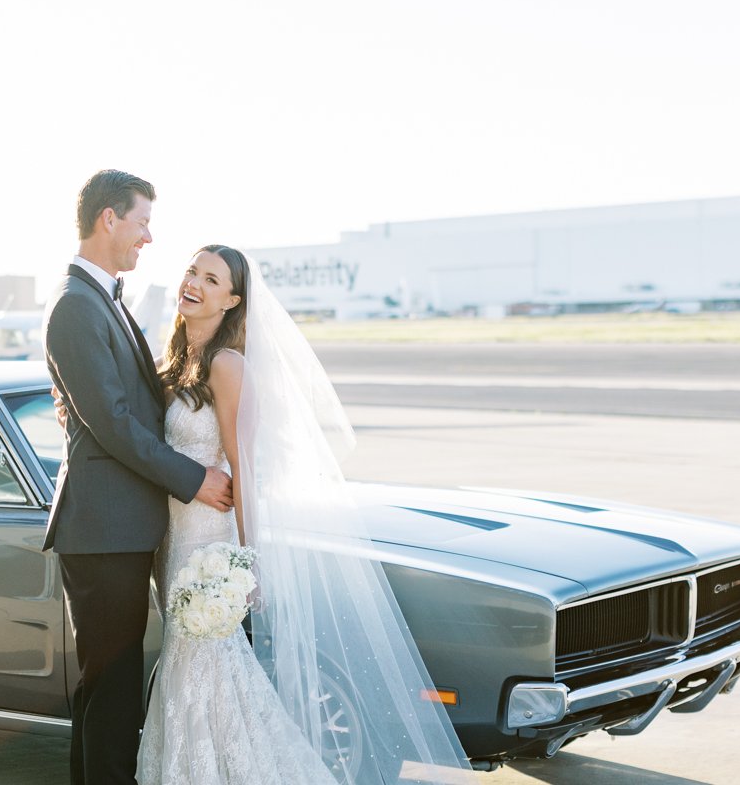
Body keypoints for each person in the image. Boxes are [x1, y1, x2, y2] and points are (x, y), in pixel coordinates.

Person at [137, 245, 474, 785]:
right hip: (171, 544)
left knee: (206, 671)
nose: (193, 284)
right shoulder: (173, 364)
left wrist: (249, 561)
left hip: (208, 547)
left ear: (233, 300)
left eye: (211, 278)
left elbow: (244, 467)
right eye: (191, 272)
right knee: (191, 673)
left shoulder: (228, 366)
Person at [43, 170, 234, 785]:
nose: (148, 237)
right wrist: (194, 479)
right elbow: (115, 424)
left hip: (125, 529)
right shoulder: (76, 307)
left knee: (109, 690)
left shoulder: (107, 300)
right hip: (102, 533)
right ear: (109, 219)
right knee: (112, 690)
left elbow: (138, 408)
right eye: (142, 222)